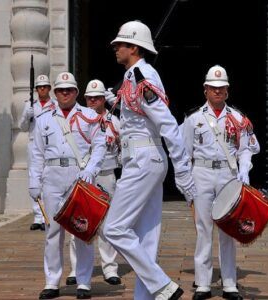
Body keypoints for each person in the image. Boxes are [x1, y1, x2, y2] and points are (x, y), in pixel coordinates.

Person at [102, 20, 197, 300]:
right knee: (146, 239)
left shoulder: (141, 75)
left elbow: (167, 124)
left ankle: (162, 286)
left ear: (134, 47)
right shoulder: (136, 75)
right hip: (144, 158)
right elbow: (139, 120)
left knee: (115, 229)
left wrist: (183, 173)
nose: (115, 47)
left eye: (120, 43)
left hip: (143, 160)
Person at [28, 71, 106, 299]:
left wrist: (91, 170)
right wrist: (34, 182)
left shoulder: (89, 115)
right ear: (55, 92)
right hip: (52, 176)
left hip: (78, 176)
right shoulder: (43, 119)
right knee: (53, 232)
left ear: (76, 92)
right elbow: (36, 154)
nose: (65, 93)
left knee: (82, 230)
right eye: (61, 90)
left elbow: (100, 145)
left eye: (69, 90)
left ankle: (83, 282)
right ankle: (52, 282)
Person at [180, 65, 254, 300]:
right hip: (201, 173)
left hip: (227, 175)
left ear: (228, 90)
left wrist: (245, 169)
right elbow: (183, 151)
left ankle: (230, 284)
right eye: (213, 88)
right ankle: (203, 284)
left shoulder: (238, 117)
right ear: (205, 90)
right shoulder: (193, 118)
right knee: (203, 229)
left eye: (221, 88)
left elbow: (248, 148)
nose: (217, 92)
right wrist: (185, 179)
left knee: (228, 230)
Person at [66, 79, 122, 286]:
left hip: (106, 173)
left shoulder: (114, 122)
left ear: (103, 100)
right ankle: (75, 269)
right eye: (89, 98)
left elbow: (122, 147)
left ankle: (110, 268)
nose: (92, 101)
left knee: (107, 224)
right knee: (77, 222)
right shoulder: (77, 119)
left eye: (97, 98)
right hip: (83, 175)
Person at [19, 74, 55, 231]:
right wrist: (27, 116)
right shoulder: (30, 105)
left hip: (49, 145)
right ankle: (38, 216)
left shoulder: (55, 104)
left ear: (49, 88)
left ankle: (47, 214)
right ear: (36, 90)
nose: (42, 89)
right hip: (34, 144)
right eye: (40, 87)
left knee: (49, 179)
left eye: (45, 87)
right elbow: (22, 127)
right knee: (34, 179)